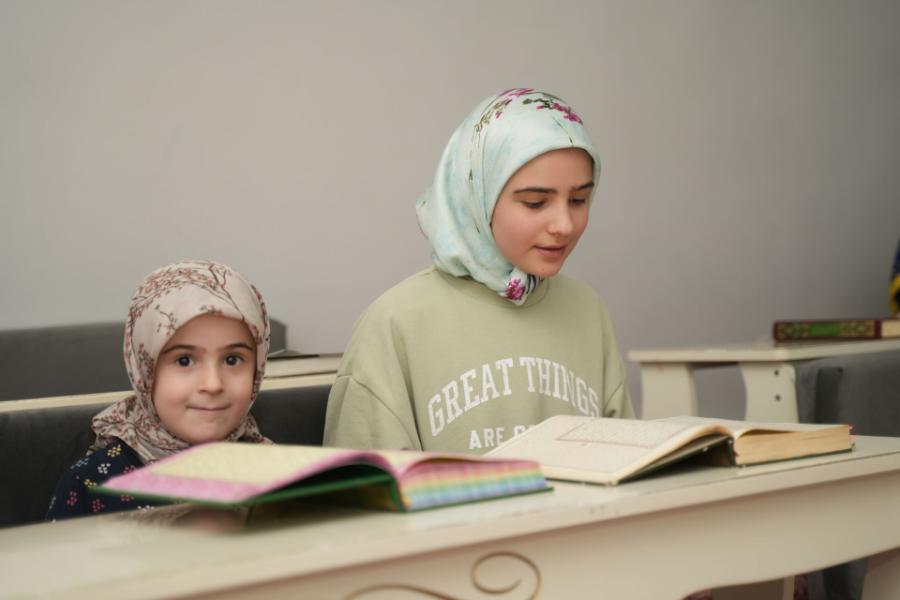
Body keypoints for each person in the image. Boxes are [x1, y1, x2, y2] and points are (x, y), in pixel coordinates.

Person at [324, 88, 634, 454]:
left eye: (579, 200)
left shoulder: (587, 310)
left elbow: (628, 461)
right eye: (535, 203)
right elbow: (364, 483)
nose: (564, 225)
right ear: (476, 194)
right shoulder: (393, 324)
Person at [46, 259, 271, 520]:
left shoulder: (277, 474)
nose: (213, 384)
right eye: (184, 360)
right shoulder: (90, 484)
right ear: (146, 372)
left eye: (232, 359)